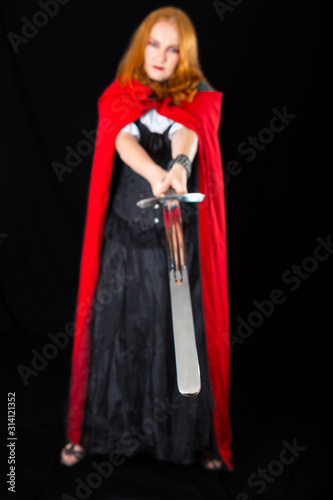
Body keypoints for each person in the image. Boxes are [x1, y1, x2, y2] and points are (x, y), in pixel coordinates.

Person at [60, 6, 232, 471]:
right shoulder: (120, 96)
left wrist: (178, 167)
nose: (160, 56)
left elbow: (188, 136)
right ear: (142, 46)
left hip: (174, 245)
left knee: (176, 337)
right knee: (119, 334)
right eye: (154, 44)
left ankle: (189, 440)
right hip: (125, 242)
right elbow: (122, 141)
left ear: (185, 56)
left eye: (173, 48)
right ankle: (97, 433)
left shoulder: (198, 97)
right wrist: (158, 174)